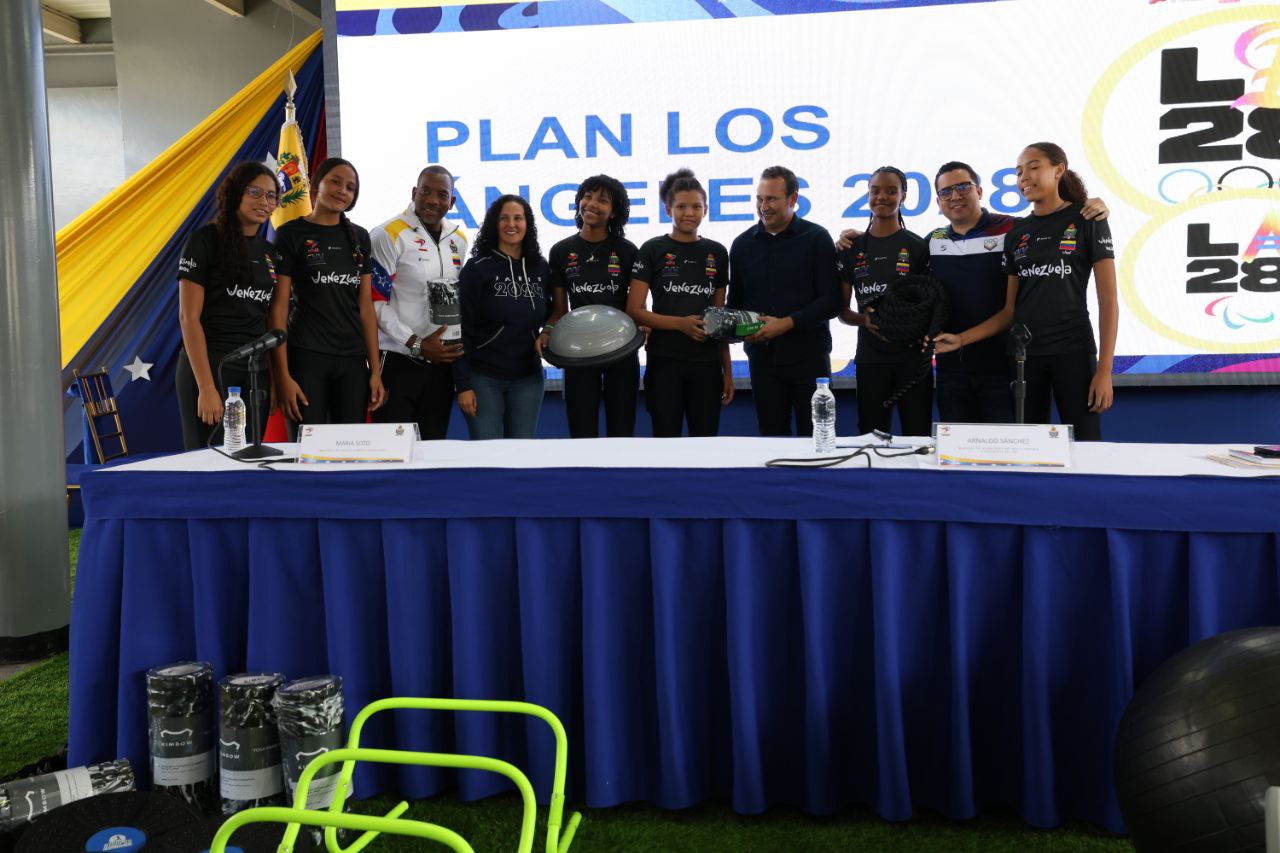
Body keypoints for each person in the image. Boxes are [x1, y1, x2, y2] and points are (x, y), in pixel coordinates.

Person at [839, 163, 1109, 424]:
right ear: (938, 201)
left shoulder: (1012, 229)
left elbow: (1051, 220)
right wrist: (857, 239)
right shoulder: (932, 241)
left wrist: (1090, 205)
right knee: (956, 452)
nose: (955, 196)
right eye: (946, 191)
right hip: (951, 373)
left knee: (1006, 451)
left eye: (963, 187)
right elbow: (891, 255)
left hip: (1003, 369)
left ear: (979, 191)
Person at [933, 142, 1117, 440]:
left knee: (1086, 445)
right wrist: (961, 340)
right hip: (1023, 358)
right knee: (1029, 447)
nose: (1024, 178)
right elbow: (1009, 311)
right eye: (1018, 172)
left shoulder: (1087, 219)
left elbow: (1108, 300)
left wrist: (1105, 370)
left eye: (1033, 167)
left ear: (1058, 170)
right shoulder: (1016, 232)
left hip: (1073, 350)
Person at [269, 157, 385, 426]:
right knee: (306, 446)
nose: (342, 191)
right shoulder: (290, 233)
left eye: (350, 187)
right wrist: (282, 374)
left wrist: (375, 371)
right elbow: (279, 308)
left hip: (352, 361)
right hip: (306, 357)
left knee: (351, 445)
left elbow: (366, 308)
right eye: (335, 182)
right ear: (316, 184)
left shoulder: (360, 237)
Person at [727, 165, 841, 436]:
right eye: (759, 199)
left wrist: (786, 323)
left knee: (816, 441)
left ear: (793, 199)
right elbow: (735, 305)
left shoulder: (817, 238)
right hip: (763, 364)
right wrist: (740, 331)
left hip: (810, 361)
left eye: (771, 199)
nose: (763, 206)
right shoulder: (741, 245)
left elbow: (831, 301)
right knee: (771, 440)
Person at [175, 161, 281, 449]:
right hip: (211, 369)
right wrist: (206, 387)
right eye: (255, 192)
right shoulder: (203, 241)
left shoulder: (270, 253)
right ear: (235, 193)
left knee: (250, 462)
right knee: (206, 462)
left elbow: (268, 321)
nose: (264, 201)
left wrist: (272, 379)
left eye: (271, 196)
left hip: (255, 373)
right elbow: (188, 318)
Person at [627, 169, 733, 437]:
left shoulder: (717, 253)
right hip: (664, 362)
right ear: (668, 209)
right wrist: (680, 324)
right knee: (665, 442)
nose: (689, 213)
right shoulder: (652, 249)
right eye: (681, 206)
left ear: (706, 210)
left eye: (696, 206)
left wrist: (728, 372)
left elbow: (719, 319)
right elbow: (634, 310)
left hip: (707, 366)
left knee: (705, 442)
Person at [369, 165, 468, 439]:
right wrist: (415, 343)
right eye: (426, 191)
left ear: (452, 201)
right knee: (392, 449)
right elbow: (374, 302)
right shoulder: (387, 234)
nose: (433, 200)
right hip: (398, 360)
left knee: (433, 448)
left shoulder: (458, 240)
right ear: (414, 193)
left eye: (442, 195)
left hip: (441, 364)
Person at [836, 165, 933, 436]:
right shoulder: (851, 249)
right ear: (868, 195)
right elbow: (842, 311)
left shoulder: (917, 246)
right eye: (875, 191)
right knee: (871, 436)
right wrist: (864, 320)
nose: (882, 197)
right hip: (871, 360)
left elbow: (930, 304)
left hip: (913, 359)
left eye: (891, 191)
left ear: (903, 196)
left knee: (918, 435)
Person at [453, 194, 553, 439]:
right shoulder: (477, 268)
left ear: (527, 224)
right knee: (488, 455)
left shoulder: (540, 267)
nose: (511, 224)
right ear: (494, 224)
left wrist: (548, 332)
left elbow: (551, 313)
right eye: (504, 218)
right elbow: (460, 328)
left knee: (522, 455)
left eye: (518, 218)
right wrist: (463, 385)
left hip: (528, 378)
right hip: (483, 378)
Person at [547, 175, 639, 437]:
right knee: (581, 434)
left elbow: (637, 306)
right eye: (587, 197)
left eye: (603, 200)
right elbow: (559, 311)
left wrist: (644, 325)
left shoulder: (628, 251)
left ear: (614, 211)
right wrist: (547, 332)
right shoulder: (561, 251)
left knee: (622, 434)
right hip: (578, 352)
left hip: (621, 350)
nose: (592, 204)